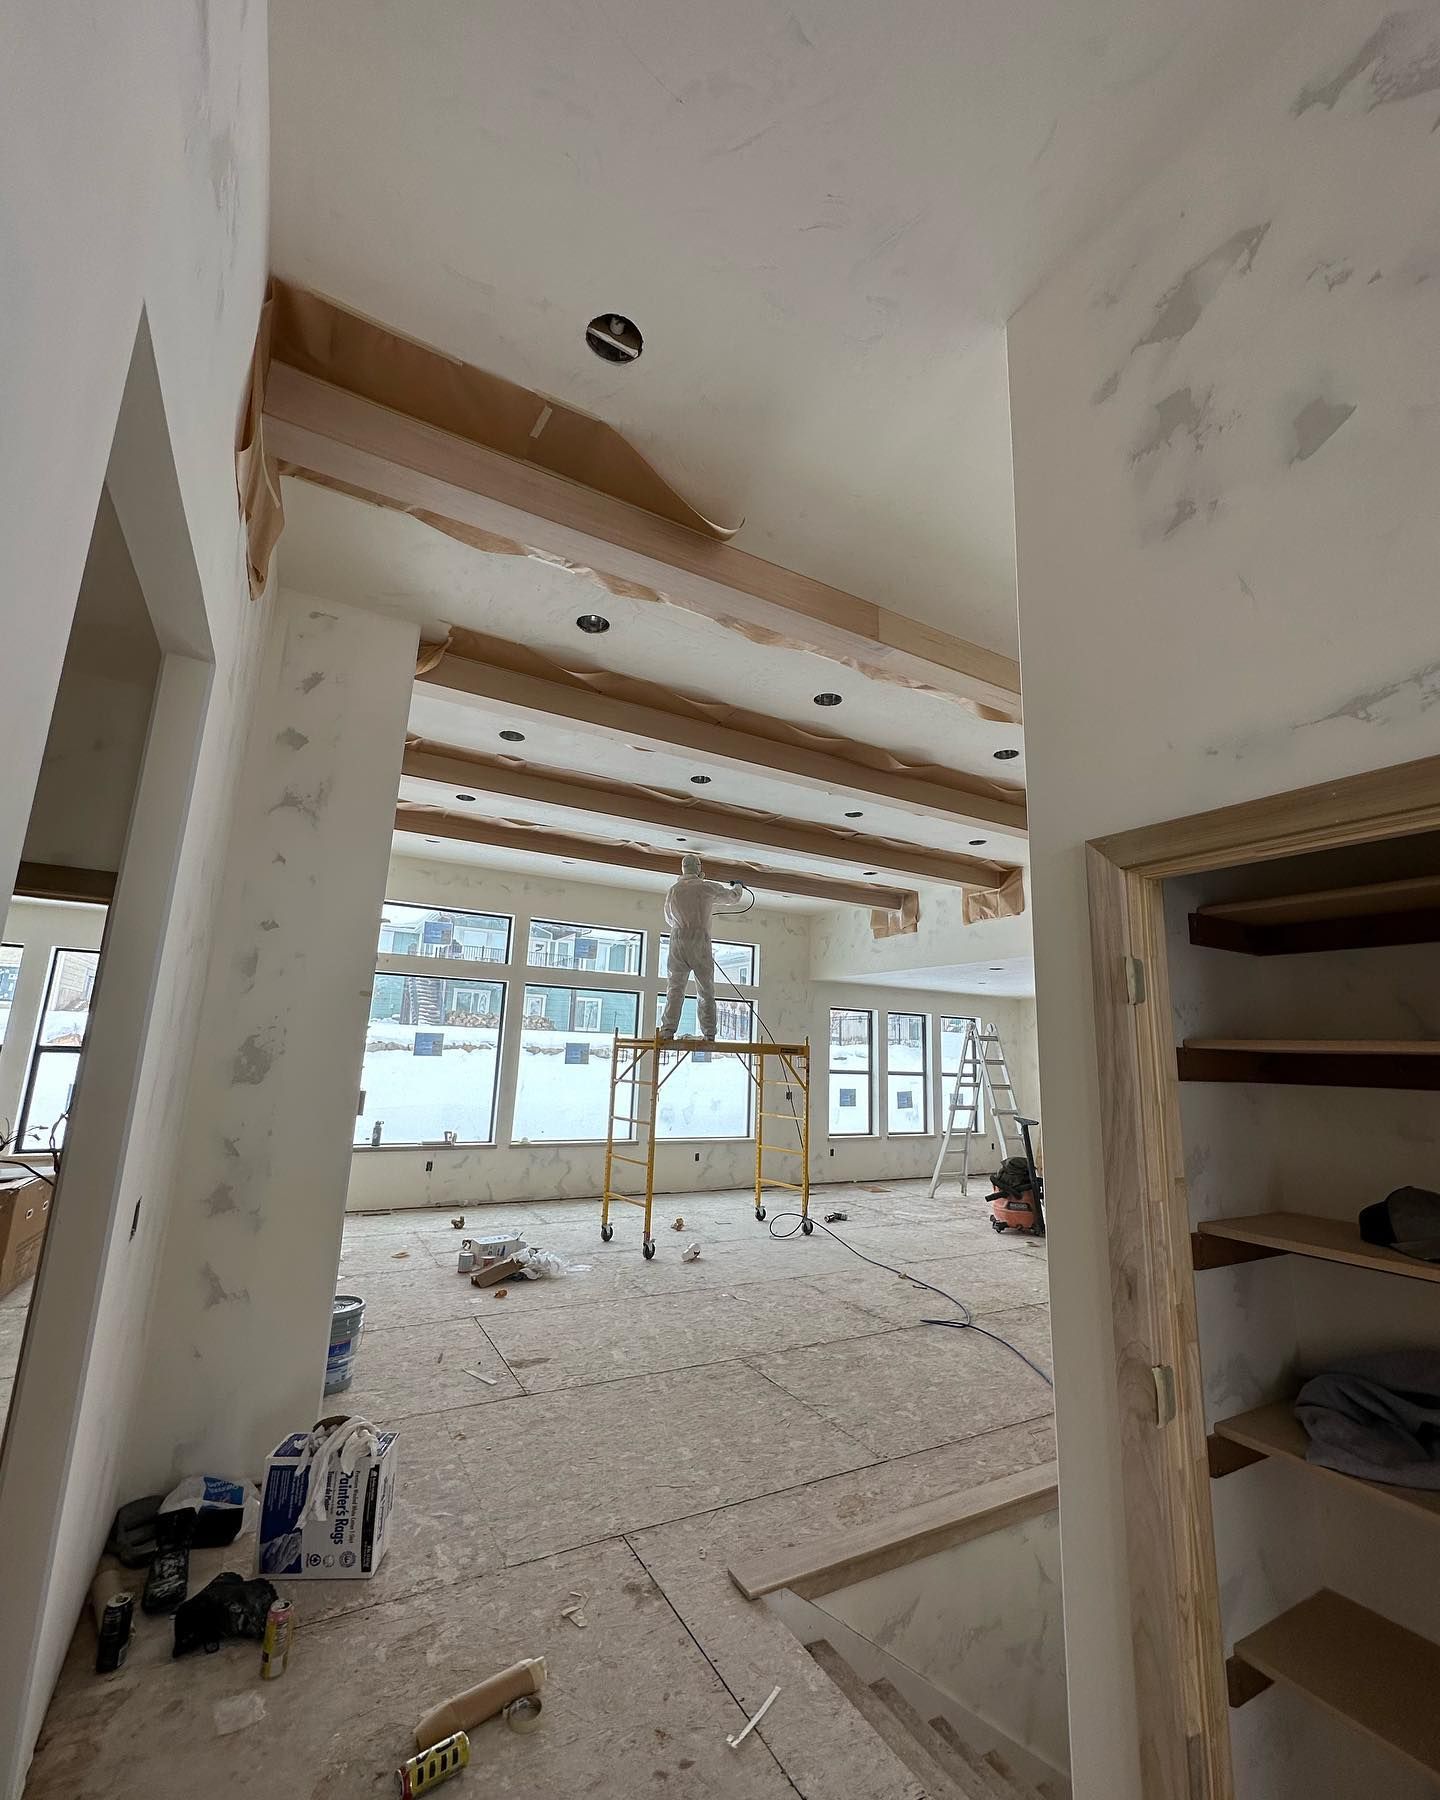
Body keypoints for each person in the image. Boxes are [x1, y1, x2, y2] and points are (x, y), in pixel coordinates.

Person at [659, 855, 746, 1041]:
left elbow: (668, 918)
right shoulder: (706, 887)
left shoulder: (673, 890)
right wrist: (738, 885)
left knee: (674, 988)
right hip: (699, 939)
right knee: (705, 990)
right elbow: (733, 897)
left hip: (677, 938)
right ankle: (709, 1033)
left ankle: (667, 1030)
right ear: (699, 868)